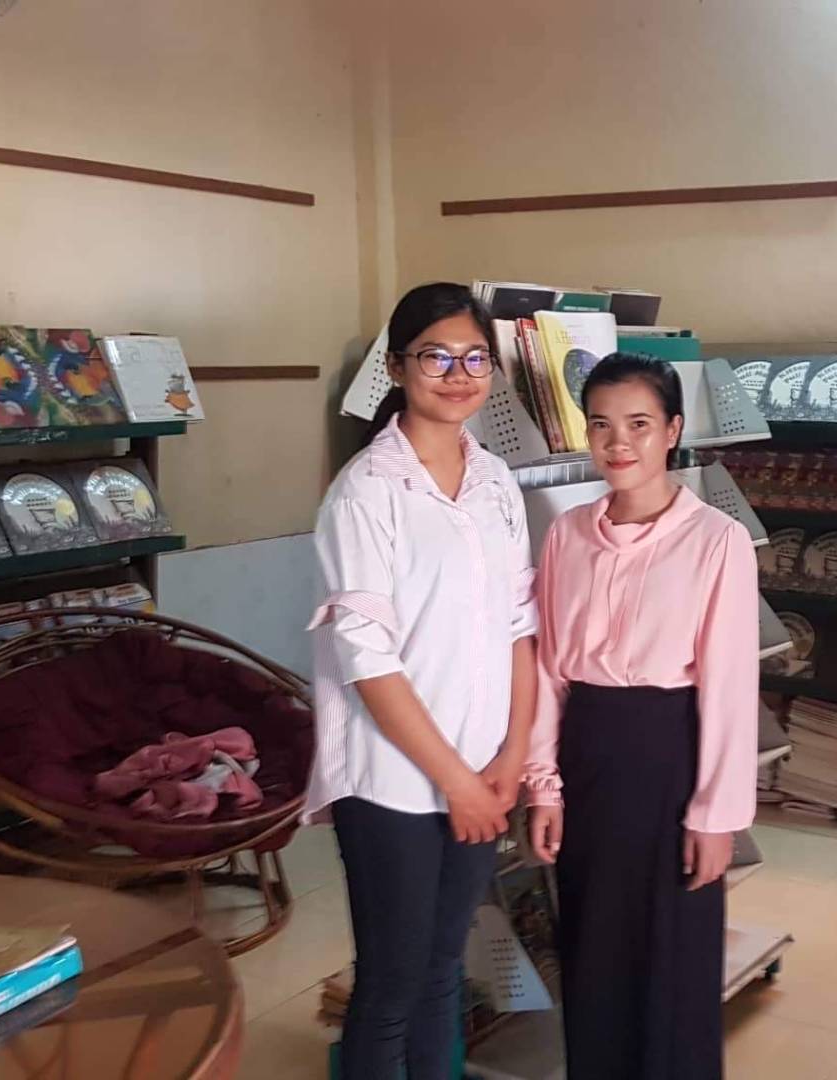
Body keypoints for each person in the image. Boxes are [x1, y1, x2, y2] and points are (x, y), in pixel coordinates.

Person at [304, 282, 538, 1080]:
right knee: (392, 984)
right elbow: (367, 659)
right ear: (399, 367)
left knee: (444, 974)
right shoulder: (367, 491)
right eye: (436, 356)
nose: (458, 374)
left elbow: (519, 626)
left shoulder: (496, 481)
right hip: (395, 783)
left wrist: (512, 756)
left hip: (482, 771)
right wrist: (458, 784)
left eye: (475, 358)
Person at [525, 353, 759, 1079]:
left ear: (673, 431)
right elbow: (548, 668)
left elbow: (728, 686)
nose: (618, 443)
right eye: (601, 425)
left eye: (638, 424)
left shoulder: (714, 540)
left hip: (670, 760)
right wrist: (544, 785)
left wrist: (716, 816)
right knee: (592, 947)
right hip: (587, 758)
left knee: (671, 952)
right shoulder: (566, 534)